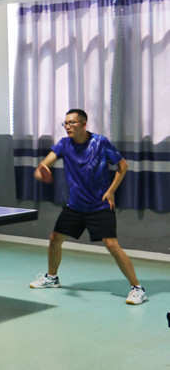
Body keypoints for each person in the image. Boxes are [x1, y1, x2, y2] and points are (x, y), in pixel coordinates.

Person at [29, 109, 146, 305]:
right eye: (65, 123)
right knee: (55, 238)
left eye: (72, 123)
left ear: (84, 124)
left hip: (99, 205)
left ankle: (137, 288)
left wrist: (111, 191)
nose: (67, 127)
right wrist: (42, 170)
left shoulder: (100, 142)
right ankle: (52, 278)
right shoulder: (64, 144)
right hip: (75, 206)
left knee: (111, 244)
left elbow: (123, 166)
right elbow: (45, 163)